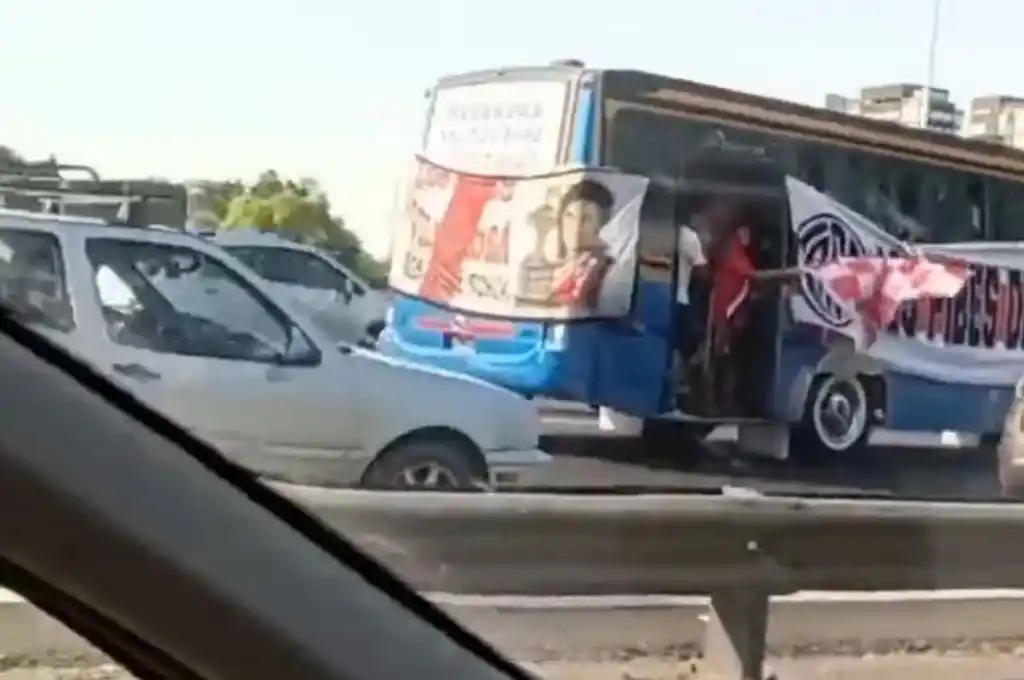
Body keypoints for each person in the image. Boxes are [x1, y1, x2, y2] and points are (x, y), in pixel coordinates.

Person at [674, 224, 707, 359]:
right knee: (685, 340)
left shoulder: (679, 233)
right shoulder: (690, 237)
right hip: (683, 297)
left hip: (673, 296)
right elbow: (702, 270)